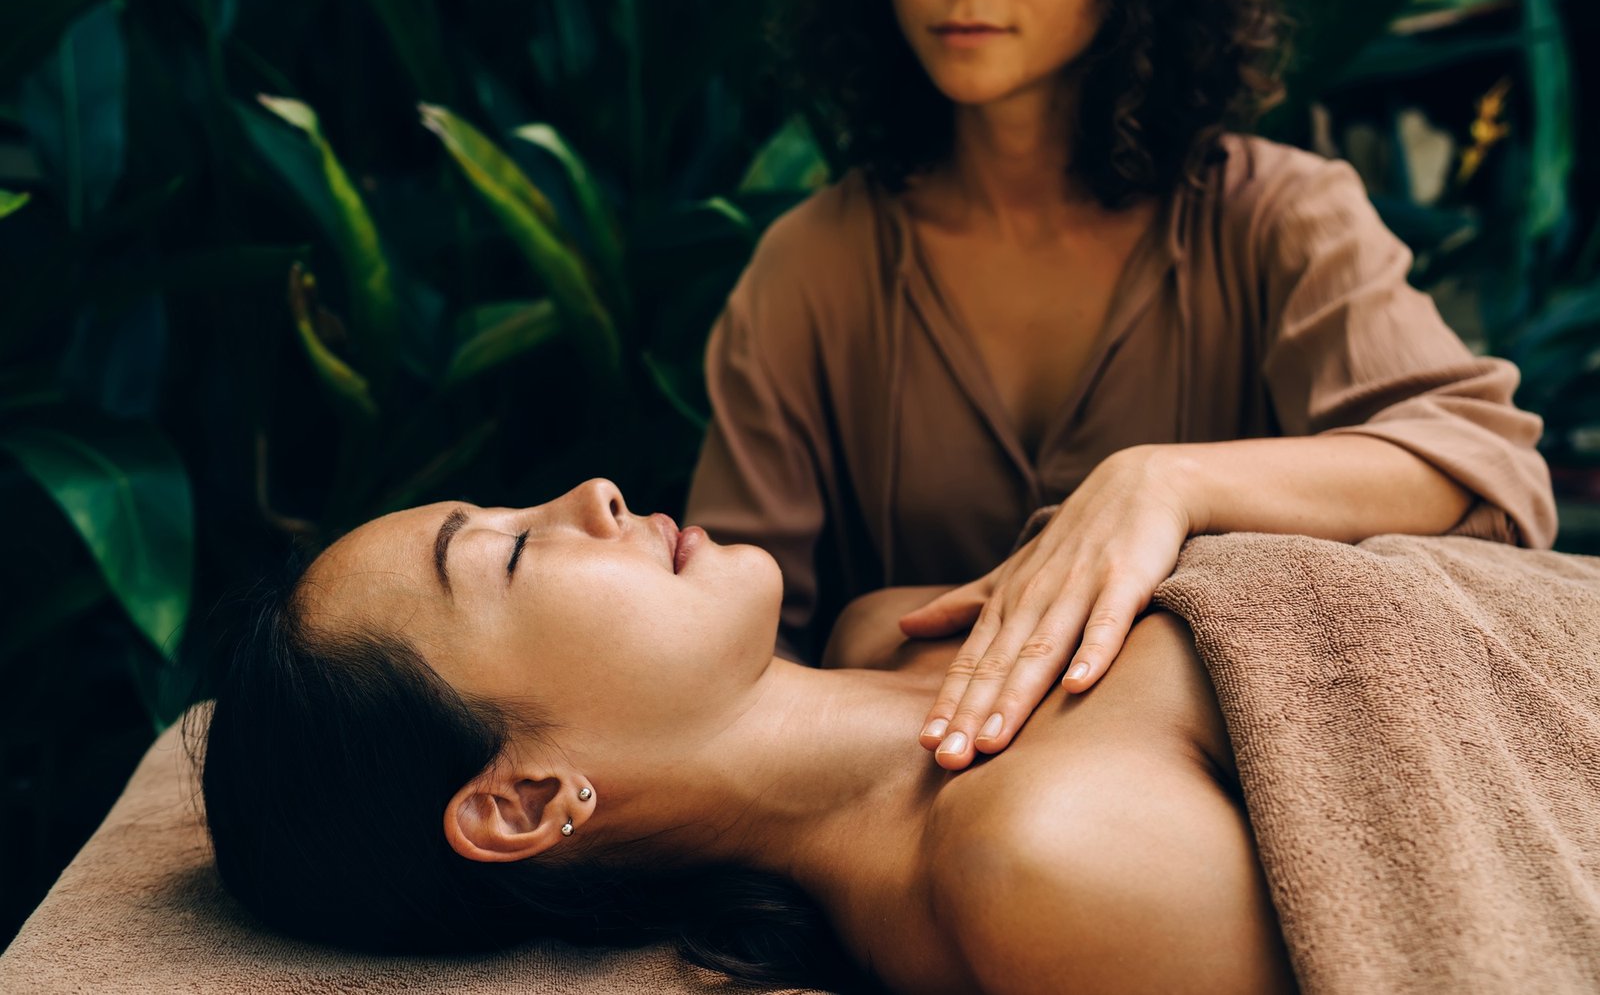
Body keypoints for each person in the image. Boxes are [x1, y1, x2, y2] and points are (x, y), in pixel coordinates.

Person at [685, 0, 1558, 772]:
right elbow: (714, 662)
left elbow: (1486, 468)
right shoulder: (811, 265)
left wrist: (1167, 485)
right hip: (892, 835)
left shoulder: (1277, 220)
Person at [198, 480, 1298, 995]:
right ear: (523, 799)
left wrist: (1171, 479)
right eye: (514, 554)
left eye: (516, 505)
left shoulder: (898, 631)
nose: (592, 493)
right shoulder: (1033, 862)